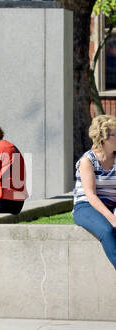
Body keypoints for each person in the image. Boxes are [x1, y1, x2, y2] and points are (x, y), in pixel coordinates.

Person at [72, 115, 116, 272]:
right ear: (103, 138)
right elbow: (91, 195)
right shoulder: (88, 160)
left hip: (112, 205)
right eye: (115, 134)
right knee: (107, 230)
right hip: (86, 207)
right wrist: (112, 218)